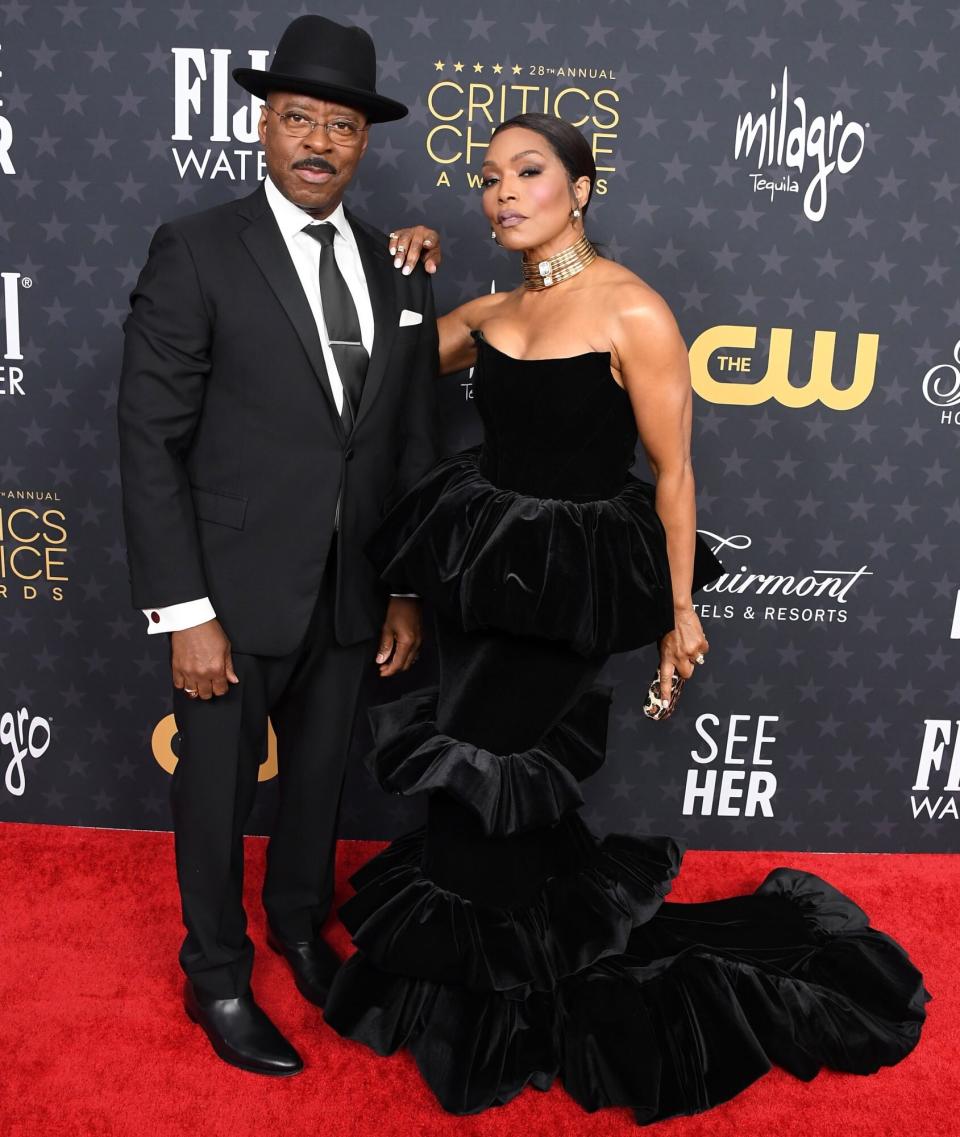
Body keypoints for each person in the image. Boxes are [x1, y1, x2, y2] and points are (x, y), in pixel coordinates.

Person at [322, 113, 929, 1121]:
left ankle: (506, 1015)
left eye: (528, 173)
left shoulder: (635, 312)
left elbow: (676, 473)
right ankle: (481, 991)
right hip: (480, 580)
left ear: (582, 189)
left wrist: (679, 611)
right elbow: (379, 371)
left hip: (571, 590)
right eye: (488, 179)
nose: (502, 193)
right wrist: (406, 274)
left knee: (488, 766)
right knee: (475, 785)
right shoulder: (491, 312)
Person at [117, 15, 444, 1077]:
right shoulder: (199, 247)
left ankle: (299, 927)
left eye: (340, 125)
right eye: (296, 118)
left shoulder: (397, 266)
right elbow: (149, 438)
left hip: (350, 595)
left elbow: (400, 443)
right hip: (230, 598)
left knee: (318, 787)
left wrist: (399, 589)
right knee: (213, 795)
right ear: (263, 126)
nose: (317, 141)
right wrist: (185, 612)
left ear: (364, 142)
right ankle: (216, 971)